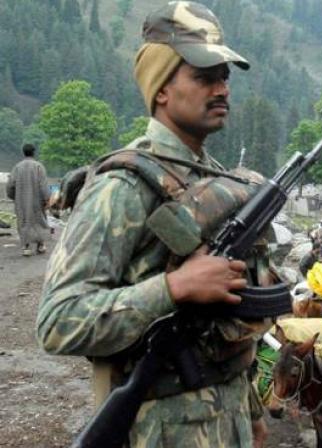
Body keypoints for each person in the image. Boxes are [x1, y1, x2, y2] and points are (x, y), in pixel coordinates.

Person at [36, 3, 268, 446]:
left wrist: (251, 412)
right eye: (204, 77)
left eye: (225, 77)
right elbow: (58, 320)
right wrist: (174, 288)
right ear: (161, 88)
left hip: (229, 420)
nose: (221, 89)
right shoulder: (122, 186)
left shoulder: (216, 180)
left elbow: (222, 328)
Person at [5, 143, 50, 256]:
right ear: (34, 152)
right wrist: (46, 199)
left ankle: (26, 247)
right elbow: (43, 186)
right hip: (37, 202)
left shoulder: (17, 167)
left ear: (23, 152)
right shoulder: (39, 166)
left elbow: (10, 185)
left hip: (21, 202)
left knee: (24, 222)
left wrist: (14, 197)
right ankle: (40, 245)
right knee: (39, 221)